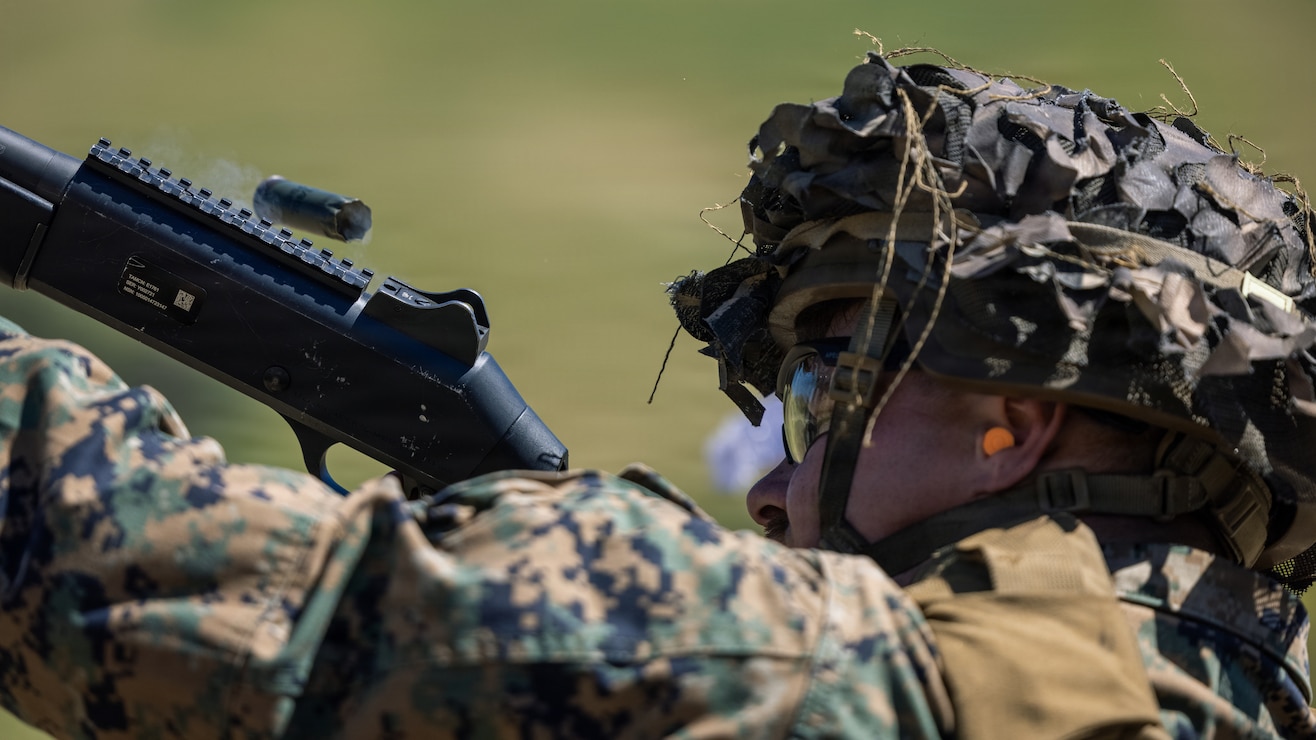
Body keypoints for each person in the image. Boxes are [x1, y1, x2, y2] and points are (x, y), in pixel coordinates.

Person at [0, 50, 1311, 739]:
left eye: (820, 393)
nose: (779, 495)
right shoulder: (1232, 698)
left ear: (1009, 427)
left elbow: (99, 560)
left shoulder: (828, 680)